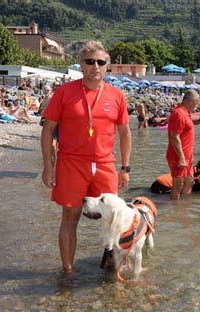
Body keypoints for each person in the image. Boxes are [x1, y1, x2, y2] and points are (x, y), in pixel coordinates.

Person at [40, 41, 132, 273]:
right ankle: (68, 271)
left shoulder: (116, 95)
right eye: (90, 62)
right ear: (81, 65)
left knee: (113, 216)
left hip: (105, 164)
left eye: (101, 62)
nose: (96, 66)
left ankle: (111, 258)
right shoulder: (65, 92)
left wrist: (125, 167)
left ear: (107, 66)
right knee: (70, 218)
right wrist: (48, 167)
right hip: (71, 163)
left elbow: (124, 132)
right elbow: (48, 130)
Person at [166, 90, 199, 200]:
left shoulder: (186, 113)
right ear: (190, 102)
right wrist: (181, 158)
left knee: (190, 181)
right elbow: (174, 137)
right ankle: (175, 209)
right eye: (196, 103)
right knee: (178, 184)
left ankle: (184, 208)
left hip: (188, 156)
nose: (197, 105)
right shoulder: (179, 114)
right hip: (178, 156)